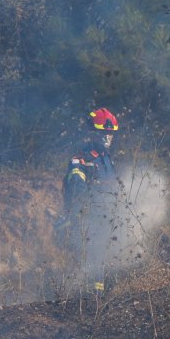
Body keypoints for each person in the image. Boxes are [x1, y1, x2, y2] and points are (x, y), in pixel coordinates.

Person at [56, 109, 120, 282]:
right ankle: (90, 297)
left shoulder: (106, 158)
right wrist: (81, 210)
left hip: (108, 219)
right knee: (94, 262)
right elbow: (77, 186)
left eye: (111, 133)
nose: (108, 137)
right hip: (89, 220)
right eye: (105, 133)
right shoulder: (82, 157)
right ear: (94, 133)